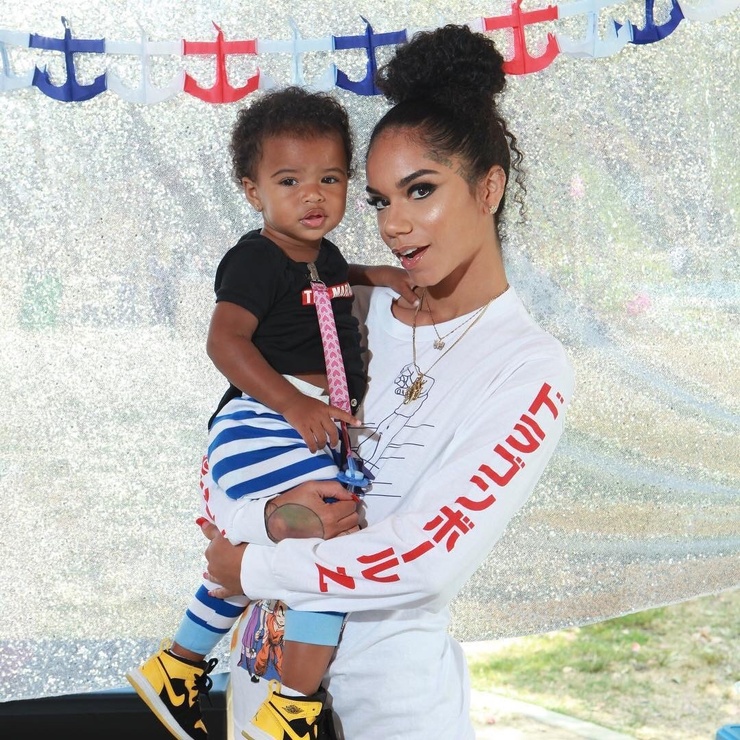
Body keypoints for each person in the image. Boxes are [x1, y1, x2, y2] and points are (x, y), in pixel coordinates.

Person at [203, 24, 575, 740]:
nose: (395, 226)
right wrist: (263, 521)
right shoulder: (347, 307)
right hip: (259, 689)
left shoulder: (528, 367)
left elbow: (429, 559)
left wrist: (252, 568)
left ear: (489, 187)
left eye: (421, 191)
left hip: (385, 713)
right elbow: (228, 445)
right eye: (379, 201)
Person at [126, 86, 414, 740]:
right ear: (253, 191)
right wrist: (293, 404)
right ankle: (290, 706)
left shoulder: (323, 256)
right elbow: (223, 342)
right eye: (289, 181)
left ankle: (177, 666)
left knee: (273, 547)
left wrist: (379, 275)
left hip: (292, 420)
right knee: (330, 546)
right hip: (265, 417)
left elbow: (331, 283)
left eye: (330, 179)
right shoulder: (255, 258)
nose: (313, 196)